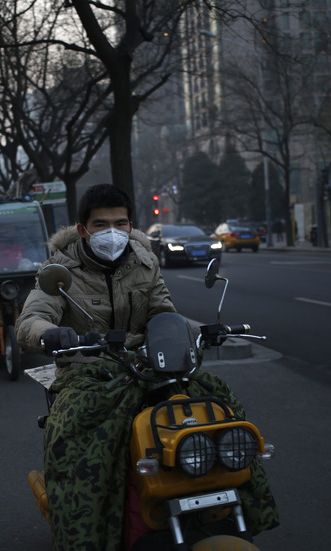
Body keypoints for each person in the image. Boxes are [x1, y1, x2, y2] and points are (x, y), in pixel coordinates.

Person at [17, 184, 278, 551]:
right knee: (75, 430)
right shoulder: (58, 271)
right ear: (82, 229)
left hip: (147, 365)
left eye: (120, 222)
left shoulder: (145, 261)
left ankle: (247, 506)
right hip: (89, 371)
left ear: (130, 224)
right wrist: (52, 335)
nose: (112, 231)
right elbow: (32, 319)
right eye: (101, 223)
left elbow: (163, 311)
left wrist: (195, 332)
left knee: (217, 397)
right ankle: (83, 532)